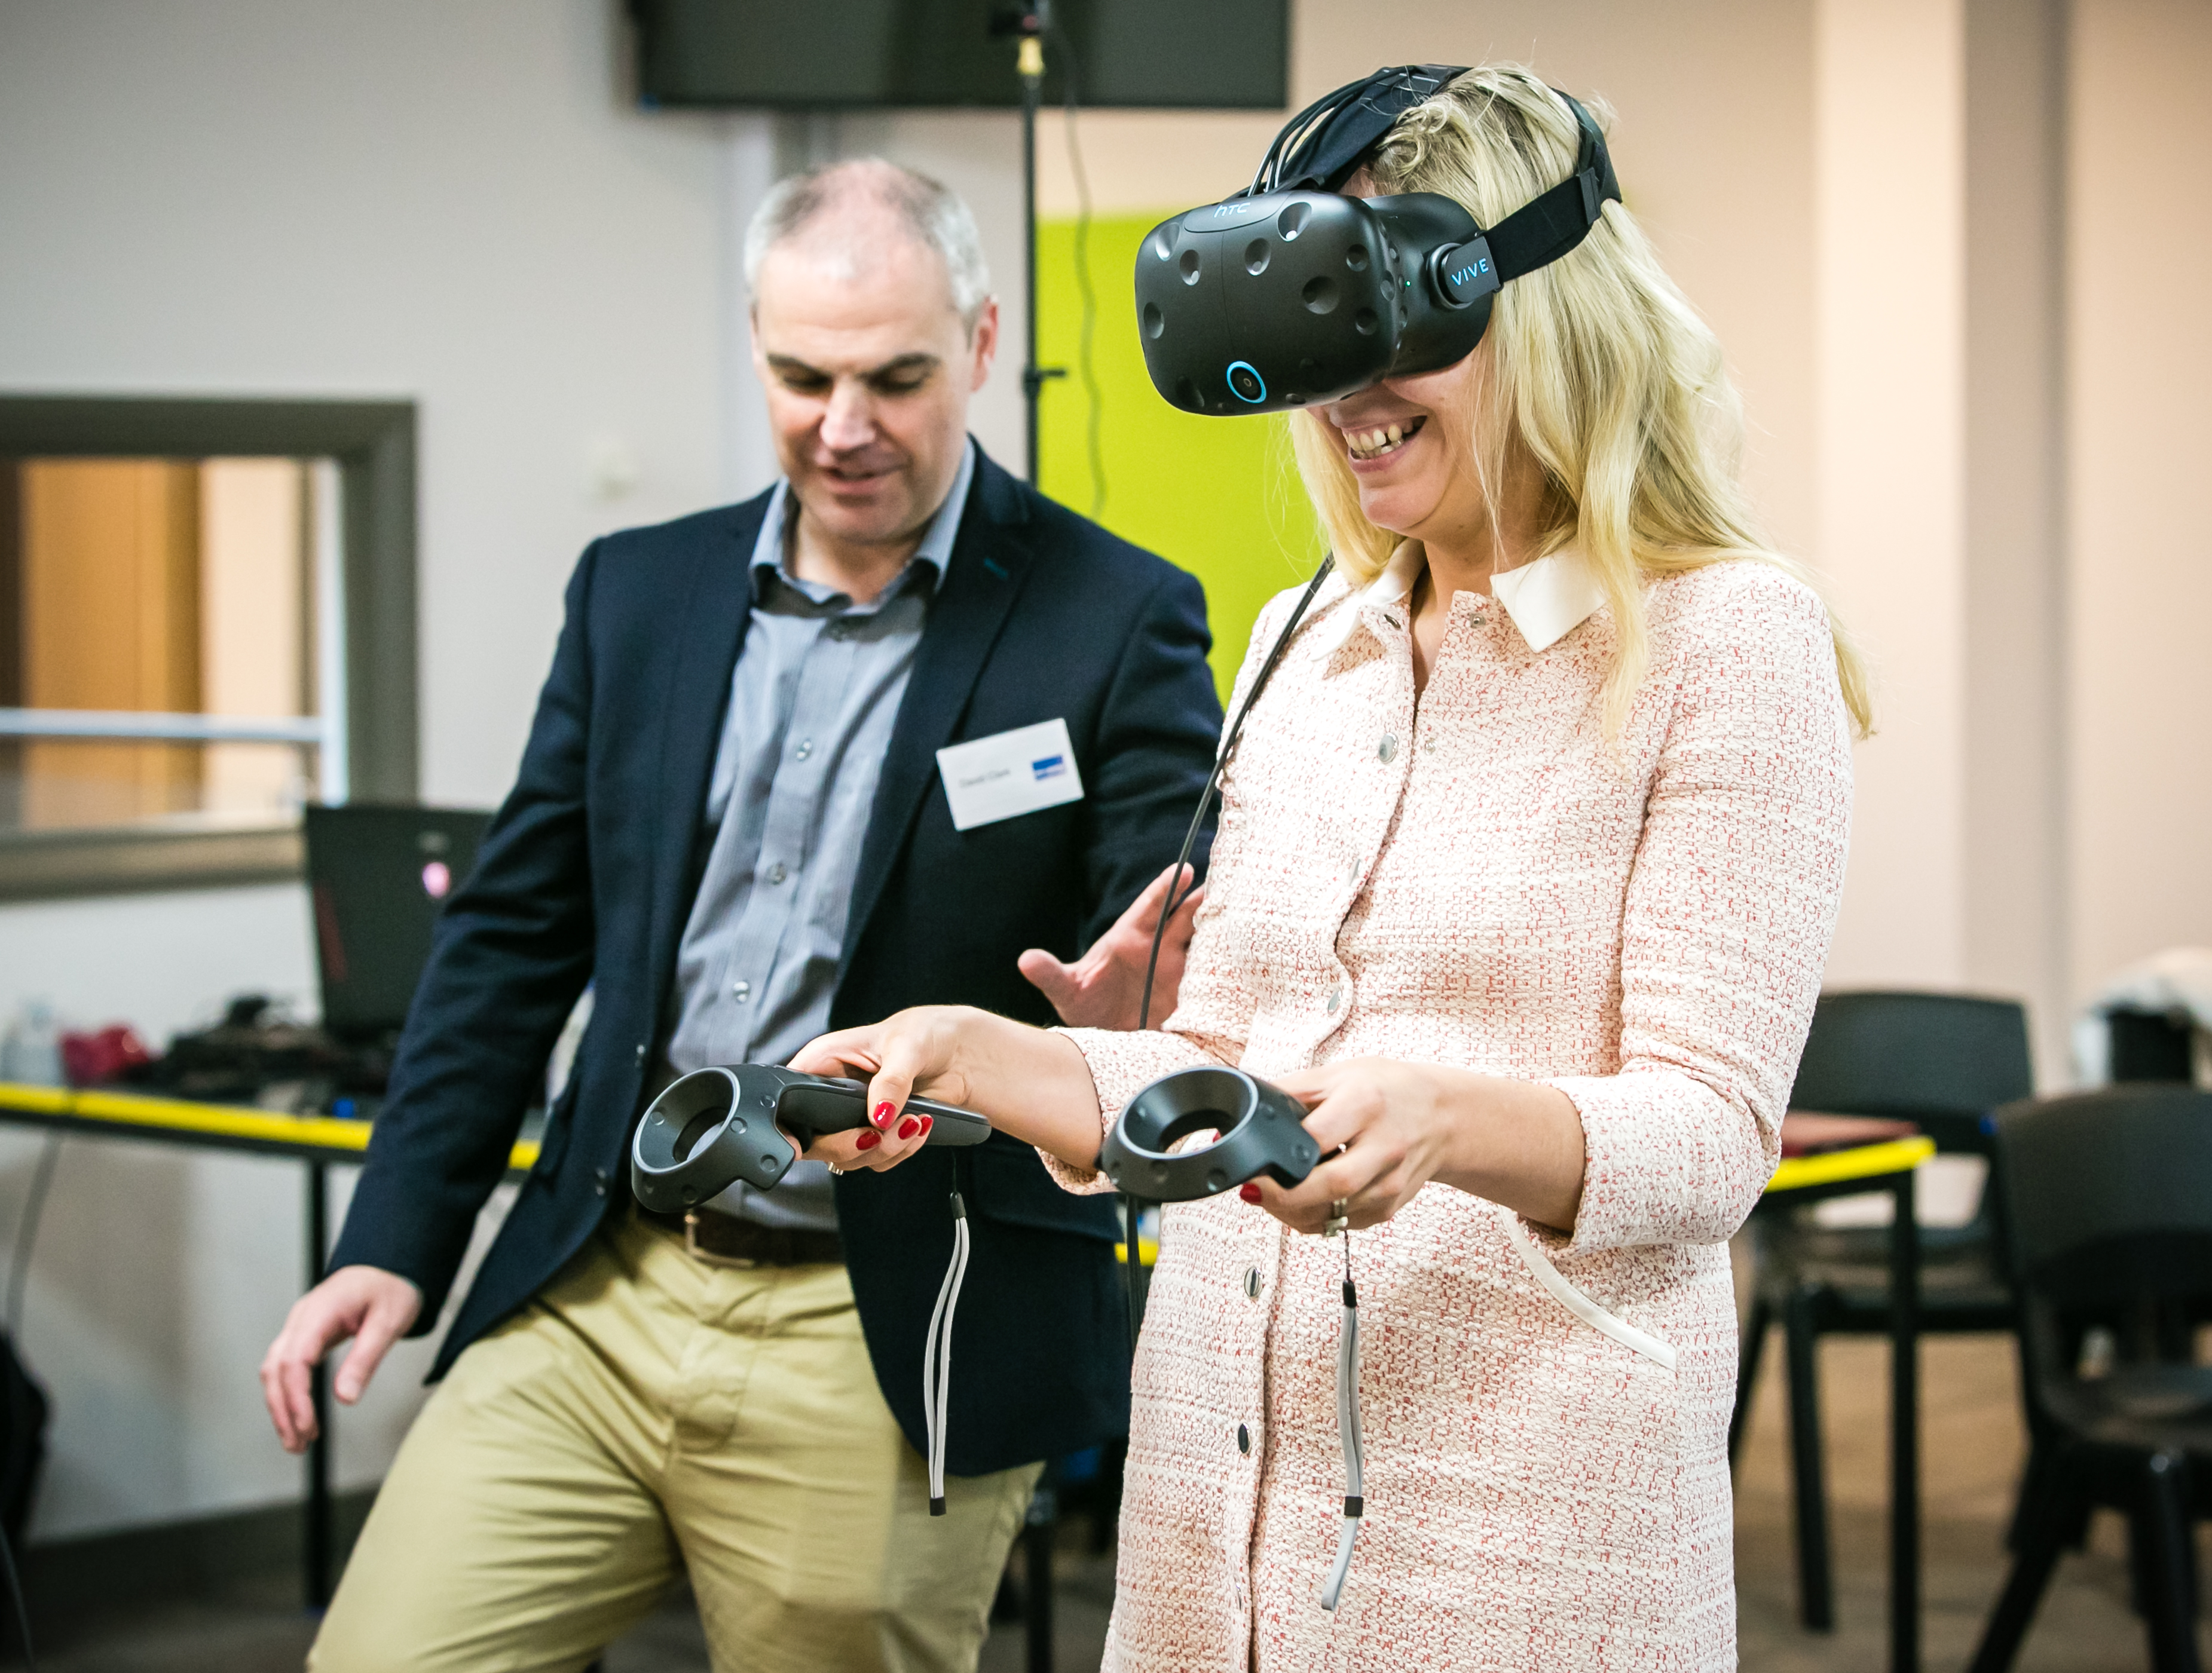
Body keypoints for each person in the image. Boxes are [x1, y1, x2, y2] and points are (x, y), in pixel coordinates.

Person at [794, 66, 1871, 1670]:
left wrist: (1444, 1119)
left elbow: (1711, 1135)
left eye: (1384, 323)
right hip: (1208, 1512)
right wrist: (977, 1058)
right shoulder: (1303, 646)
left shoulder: (1725, 641)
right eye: (1310, 334)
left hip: (1515, 1537)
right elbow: (1227, 1081)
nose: (1345, 392)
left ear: (1541, 308)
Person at [258, 158, 1224, 1673]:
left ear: (980, 343)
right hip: (601, 1279)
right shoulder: (638, 592)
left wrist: (1136, 1007)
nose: (845, 426)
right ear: (758, 349)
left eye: (896, 378)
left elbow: (1164, 914)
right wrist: (394, 1236)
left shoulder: (1111, 614)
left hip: (886, 1310)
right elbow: (510, 940)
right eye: (804, 377)